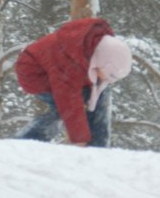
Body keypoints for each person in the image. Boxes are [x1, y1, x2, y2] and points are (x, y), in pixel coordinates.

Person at [15, 17, 132, 147]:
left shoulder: (99, 48)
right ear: (101, 63)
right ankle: (26, 141)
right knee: (65, 110)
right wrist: (80, 138)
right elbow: (68, 100)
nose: (106, 80)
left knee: (100, 95)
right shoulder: (69, 62)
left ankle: (98, 147)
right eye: (107, 75)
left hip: (70, 71)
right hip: (36, 74)